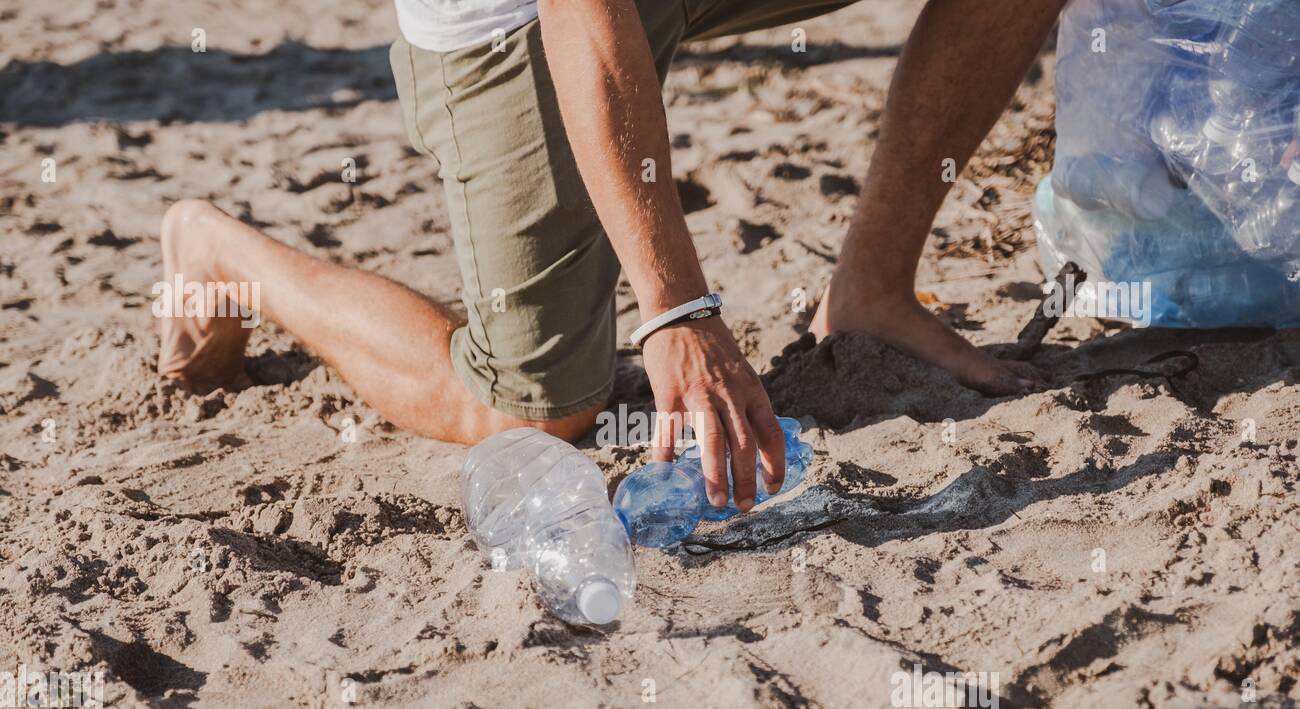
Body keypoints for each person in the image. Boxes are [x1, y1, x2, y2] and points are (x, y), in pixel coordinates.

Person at [157, 0, 1062, 512]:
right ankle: (224, 254)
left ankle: (872, 289)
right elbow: (583, 16)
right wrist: (676, 309)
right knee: (531, 406)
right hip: (521, 19)